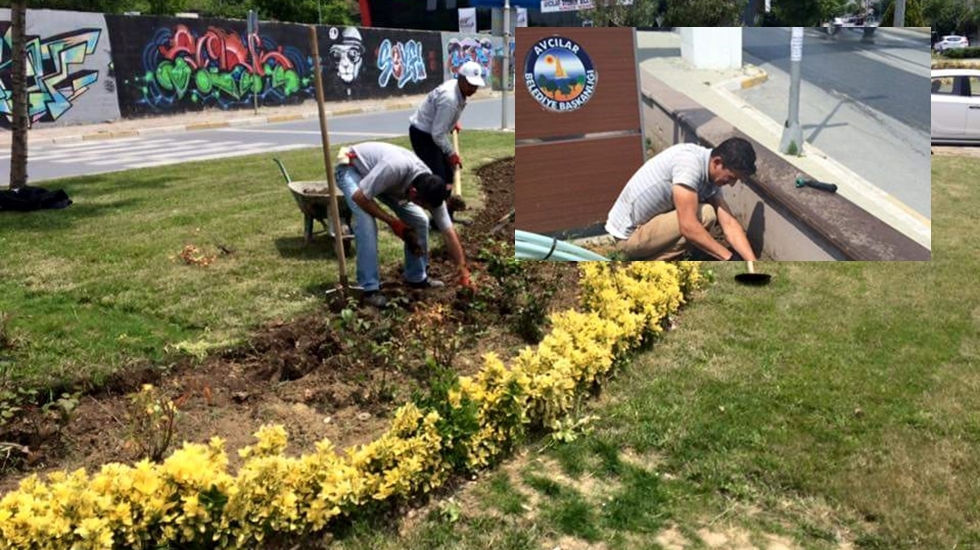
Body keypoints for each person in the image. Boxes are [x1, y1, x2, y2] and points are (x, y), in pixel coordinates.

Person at [335, 142, 473, 308]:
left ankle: (416, 277)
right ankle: (369, 289)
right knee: (366, 221)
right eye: (423, 205)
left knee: (420, 220)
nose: (426, 208)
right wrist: (393, 222)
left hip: (388, 184)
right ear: (414, 194)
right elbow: (360, 198)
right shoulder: (394, 168)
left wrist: (462, 268)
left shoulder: (430, 186)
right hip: (353, 169)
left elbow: (448, 232)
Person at [604, 137, 759, 261]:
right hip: (628, 239)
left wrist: (753, 263)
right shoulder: (689, 165)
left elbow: (729, 224)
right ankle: (642, 264)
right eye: (731, 178)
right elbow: (688, 227)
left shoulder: (710, 171)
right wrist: (729, 258)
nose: (731, 184)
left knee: (704, 217)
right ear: (717, 162)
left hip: (648, 228)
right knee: (705, 214)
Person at [409, 60, 485, 184]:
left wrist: (451, 122)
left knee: (449, 174)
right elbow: (438, 135)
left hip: (431, 131)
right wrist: (452, 154)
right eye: (470, 84)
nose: (473, 89)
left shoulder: (455, 86)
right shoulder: (449, 99)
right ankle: (425, 199)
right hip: (423, 135)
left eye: (476, 85)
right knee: (438, 179)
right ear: (460, 78)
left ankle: (447, 201)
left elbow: (441, 113)